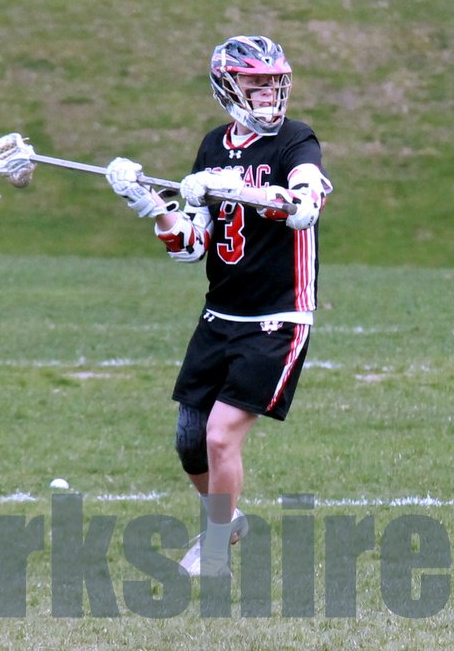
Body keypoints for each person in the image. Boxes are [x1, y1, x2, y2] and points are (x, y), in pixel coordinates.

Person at [104, 35, 332, 576]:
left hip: (277, 317)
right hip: (219, 315)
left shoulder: (296, 140)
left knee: (220, 435)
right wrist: (149, 204)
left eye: (274, 82)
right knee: (190, 444)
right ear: (228, 86)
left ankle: (213, 548)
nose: (268, 92)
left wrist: (235, 189)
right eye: (256, 83)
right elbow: (192, 247)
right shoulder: (212, 147)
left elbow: (304, 208)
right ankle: (227, 522)